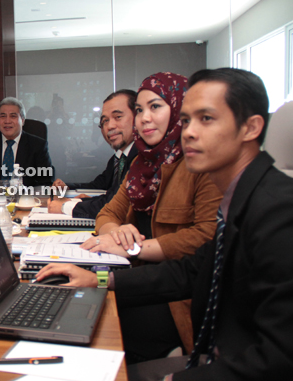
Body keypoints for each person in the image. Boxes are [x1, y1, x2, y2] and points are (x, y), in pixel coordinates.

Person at [37, 68, 293, 380]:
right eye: (185, 120)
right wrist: (100, 280)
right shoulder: (241, 196)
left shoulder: (279, 210)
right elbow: (190, 272)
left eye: (206, 119)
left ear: (251, 128)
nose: (188, 132)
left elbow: (281, 357)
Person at [80, 73, 223, 363]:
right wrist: (114, 233)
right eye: (140, 110)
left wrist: (133, 248)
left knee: (95, 327)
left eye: (155, 107)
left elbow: (206, 237)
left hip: (175, 296)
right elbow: (109, 212)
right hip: (137, 275)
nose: (144, 118)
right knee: (79, 306)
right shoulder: (142, 163)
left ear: (179, 109)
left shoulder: (199, 163)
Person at [50, 90, 139, 218]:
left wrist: (65, 206)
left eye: (118, 117)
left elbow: (116, 204)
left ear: (138, 118)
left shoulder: (140, 158)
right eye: (105, 121)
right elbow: (99, 186)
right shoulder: (119, 158)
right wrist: (68, 186)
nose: (109, 126)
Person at [0, 97, 53, 187]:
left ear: (22, 120)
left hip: (24, 198)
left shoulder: (38, 145)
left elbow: (45, 183)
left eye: (13, 116)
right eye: (3, 116)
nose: (7, 121)